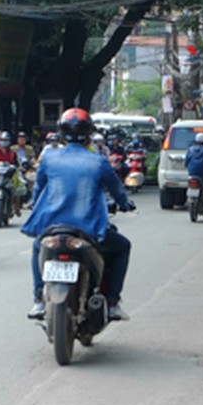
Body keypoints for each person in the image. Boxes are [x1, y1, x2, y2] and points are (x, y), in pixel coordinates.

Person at [22, 108, 135, 320]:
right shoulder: (99, 160)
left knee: (38, 247)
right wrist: (125, 204)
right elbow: (117, 190)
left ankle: (38, 300)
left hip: (52, 228)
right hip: (89, 229)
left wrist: (34, 204)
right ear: (89, 133)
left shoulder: (49, 159)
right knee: (122, 247)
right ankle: (112, 302)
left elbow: (38, 190)